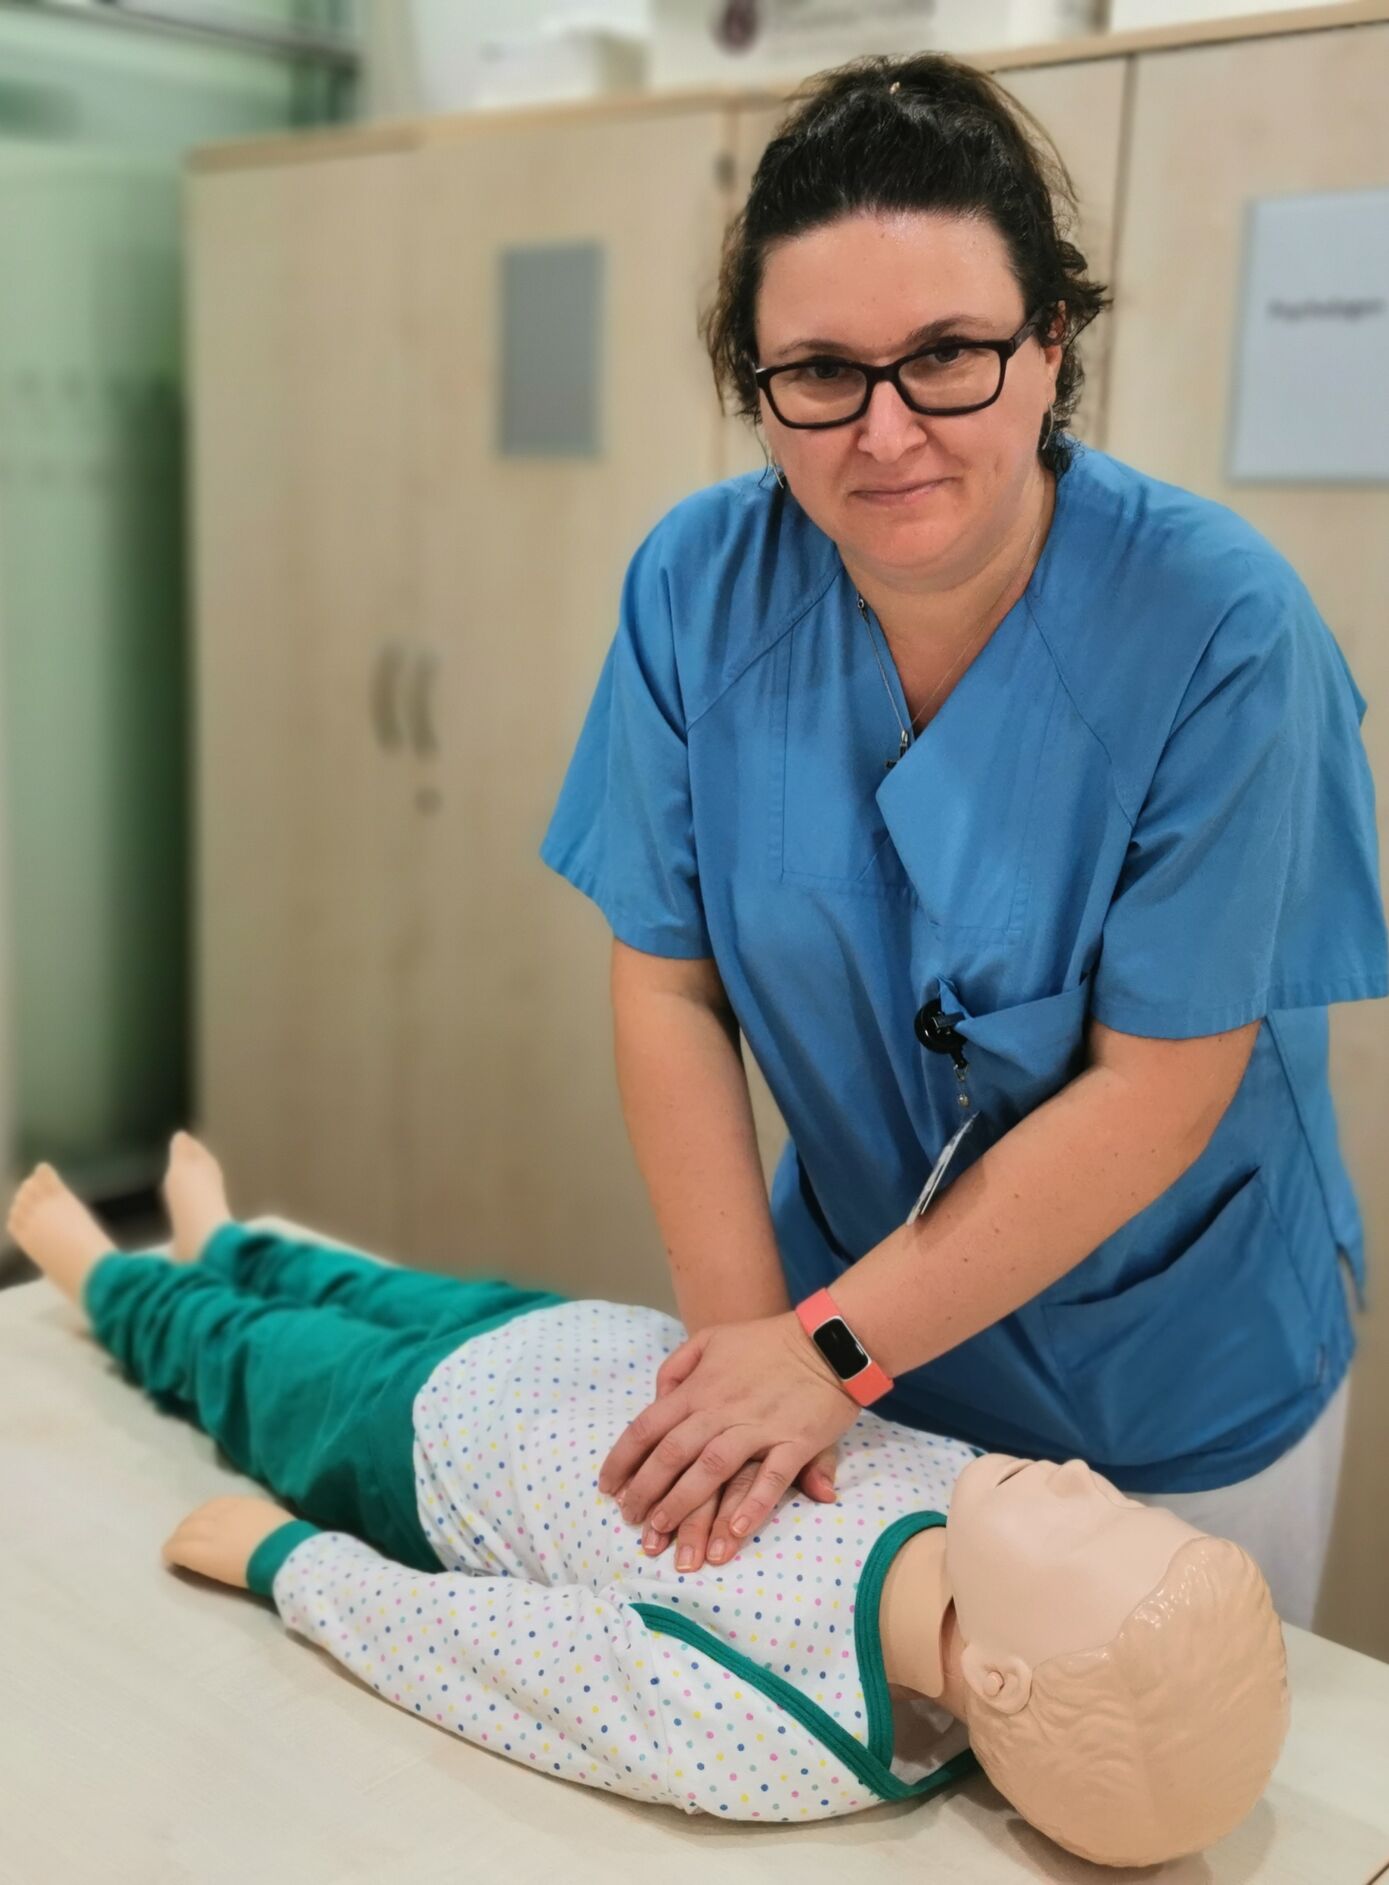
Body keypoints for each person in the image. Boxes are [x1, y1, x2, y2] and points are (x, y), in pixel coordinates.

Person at [537, 51, 1388, 1622]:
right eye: (819, 372)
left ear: (1051, 344)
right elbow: (667, 982)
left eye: (948, 356)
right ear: (757, 384)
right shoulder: (693, 592)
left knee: (1149, 1817)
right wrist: (751, 1352)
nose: (886, 432)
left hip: (1166, 1380)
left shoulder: (1220, 632)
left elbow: (1154, 1092)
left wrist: (824, 1356)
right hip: (840, 1343)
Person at [9, 1136, 1289, 1864]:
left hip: (422, 1452)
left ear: (1003, 1682)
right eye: (1124, 1502)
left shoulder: (782, 1726)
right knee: (357, 1287)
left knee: (243, 1359)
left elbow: (504, 1668)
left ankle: (102, 1277)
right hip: (568, 1343)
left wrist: (291, 1563)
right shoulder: (978, 1492)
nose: (1076, 1478)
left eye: (1088, 1528)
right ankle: (228, 1237)